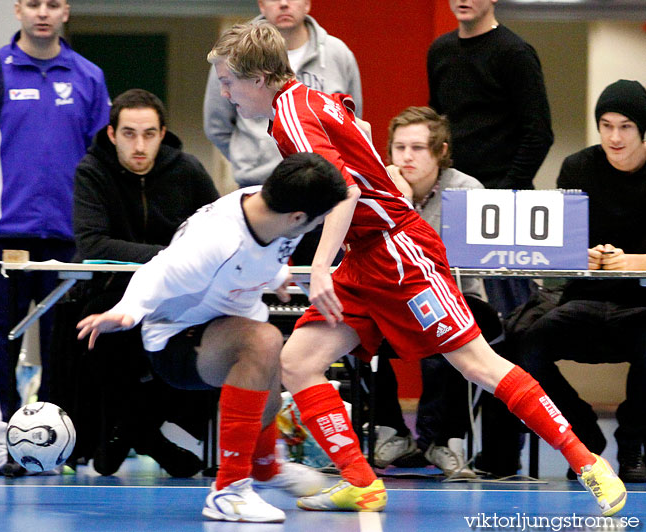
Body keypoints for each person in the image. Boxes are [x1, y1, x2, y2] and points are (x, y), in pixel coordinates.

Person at [207, 22, 626, 517]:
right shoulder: (306, 97)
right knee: (297, 361)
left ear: (258, 78)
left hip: (401, 253)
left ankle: (590, 466)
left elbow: (345, 190)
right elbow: (354, 128)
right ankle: (361, 483)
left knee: (477, 365)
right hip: (364, 255)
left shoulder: (290, 116)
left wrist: (320, 267)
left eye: (229, 81)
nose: (226, 93)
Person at [76, 152, 348, 523]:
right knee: (263, 341)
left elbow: (262, 254)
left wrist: (275, 277)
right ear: (297, 218)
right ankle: (229, 490)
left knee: (270, 366)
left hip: (227, 320)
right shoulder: (216, 239)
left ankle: (266, 467)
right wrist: (126, 311)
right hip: (176, 338)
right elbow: (160, 269)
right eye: (316, 221)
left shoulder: (270, 206)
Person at [0, 0, 110, 474]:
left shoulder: (89, 78)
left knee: (67, 346)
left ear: (66, 12)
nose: (42, 12)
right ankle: (0, 438)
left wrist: (98, 229)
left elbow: (101, 162)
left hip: (68, 238)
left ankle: (56, 443)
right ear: (18, 9)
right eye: (33, 3)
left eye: (53, 4)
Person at [57, 89, 220, 477]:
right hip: (112, 291)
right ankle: (146, 437)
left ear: (163, 133)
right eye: (129, 134)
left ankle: (130, 431)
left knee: (210, 339)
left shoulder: (189, 170)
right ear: (112, 134)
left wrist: (174, 267)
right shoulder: (92, 171)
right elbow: (93, 242)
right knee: (95, 331)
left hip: (179, 295)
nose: (140, 145)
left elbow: (217, 232)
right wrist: (168, 256)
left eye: (149, 134)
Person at [520, 79, 646, 483]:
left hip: (640, 305)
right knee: (525, 345)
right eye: (606, 125)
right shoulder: (578, 167)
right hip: (583, 301)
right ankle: (584, 434)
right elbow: (557, 248)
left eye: (625, 126)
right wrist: (582, 256)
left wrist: (636, 262)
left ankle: (632, 450)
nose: (614, 136)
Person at [373, 106, 503, 478]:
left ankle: (445, 440)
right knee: (347, 327)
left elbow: (477, 265)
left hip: (457, 299)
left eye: (417, 148)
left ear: (440, 151)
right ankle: (390, 432)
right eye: (399, 148)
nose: (406, 157)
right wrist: (394, 199)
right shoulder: (377, 188)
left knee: (453, 328)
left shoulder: (466, 191)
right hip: (393, 302)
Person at [427, 0, 554, 318]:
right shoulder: (440, 51)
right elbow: (436, 126)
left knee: (511, 320)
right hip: (452, 199)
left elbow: (539, 134)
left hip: (504, 204)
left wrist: (501, 197)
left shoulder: (515, 53)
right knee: (449, 314)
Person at [203, 0, 362, 188]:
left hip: (325, 182)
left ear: (307, 4)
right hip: (259, 183)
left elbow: (352, 123)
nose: (284, 3)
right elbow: (217, 125)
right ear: (261, 5)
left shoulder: (338, 54)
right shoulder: (231, 54)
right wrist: (250, 160)